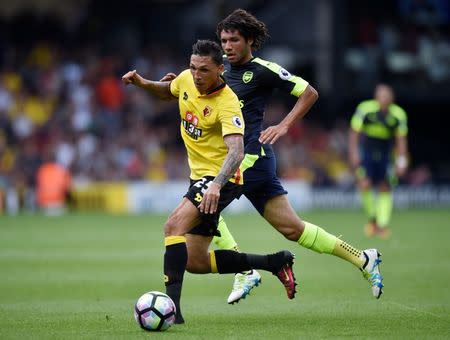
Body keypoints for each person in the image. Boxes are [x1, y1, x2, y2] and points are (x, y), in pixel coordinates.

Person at [161, 9, 384, 304]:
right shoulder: (218, 68)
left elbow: (309, 92)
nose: (227, 46)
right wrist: (179, 84)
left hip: (247, 160)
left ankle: (245, 270)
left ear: (249, 41)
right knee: (292, 229)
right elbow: (199, 87)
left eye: (234, 40)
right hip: (245, 162)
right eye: (224, 40)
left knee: (205, 199)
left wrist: (283, 125)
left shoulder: (263, 69)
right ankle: (363, 259)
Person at [122, 40, 297, 324]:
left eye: (203, 70)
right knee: (195, 261)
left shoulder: (227, 103)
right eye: (193, 68)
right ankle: (273, 262)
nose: (196, 75)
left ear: (219, 69)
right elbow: (169, 90)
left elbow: (237, 151)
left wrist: (216, 184)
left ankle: (173, 313)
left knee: (172, 226)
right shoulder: (186, 79)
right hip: (200, 178)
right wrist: (142, 82)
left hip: (222, 178)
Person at [349, 83, 408, 239]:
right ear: (376, 97)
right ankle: (373, 220)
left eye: (386, 96)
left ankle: (382, 225)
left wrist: (401, 161)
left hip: (386, 155)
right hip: (366, 153)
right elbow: (354, 133)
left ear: (391, 99)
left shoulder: (398, 114)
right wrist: (354, 153)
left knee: (385, 187)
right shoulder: (365, 109)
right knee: (365, 184)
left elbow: (401, 139)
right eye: (381, 96)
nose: (383, 99)